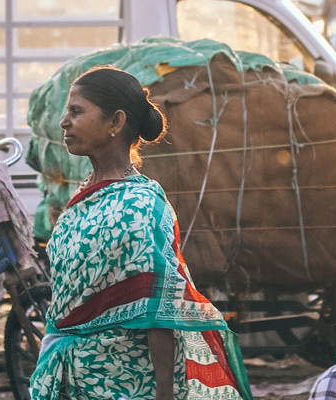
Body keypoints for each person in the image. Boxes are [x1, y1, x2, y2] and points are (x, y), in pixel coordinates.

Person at [29, 66, 252, 400]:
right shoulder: (84, 196)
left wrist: (164, 393)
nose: (65, 122)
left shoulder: (139, 204)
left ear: (115, 123)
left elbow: (157, 307)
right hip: (69, 378)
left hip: (123, 382)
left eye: (76, 112)